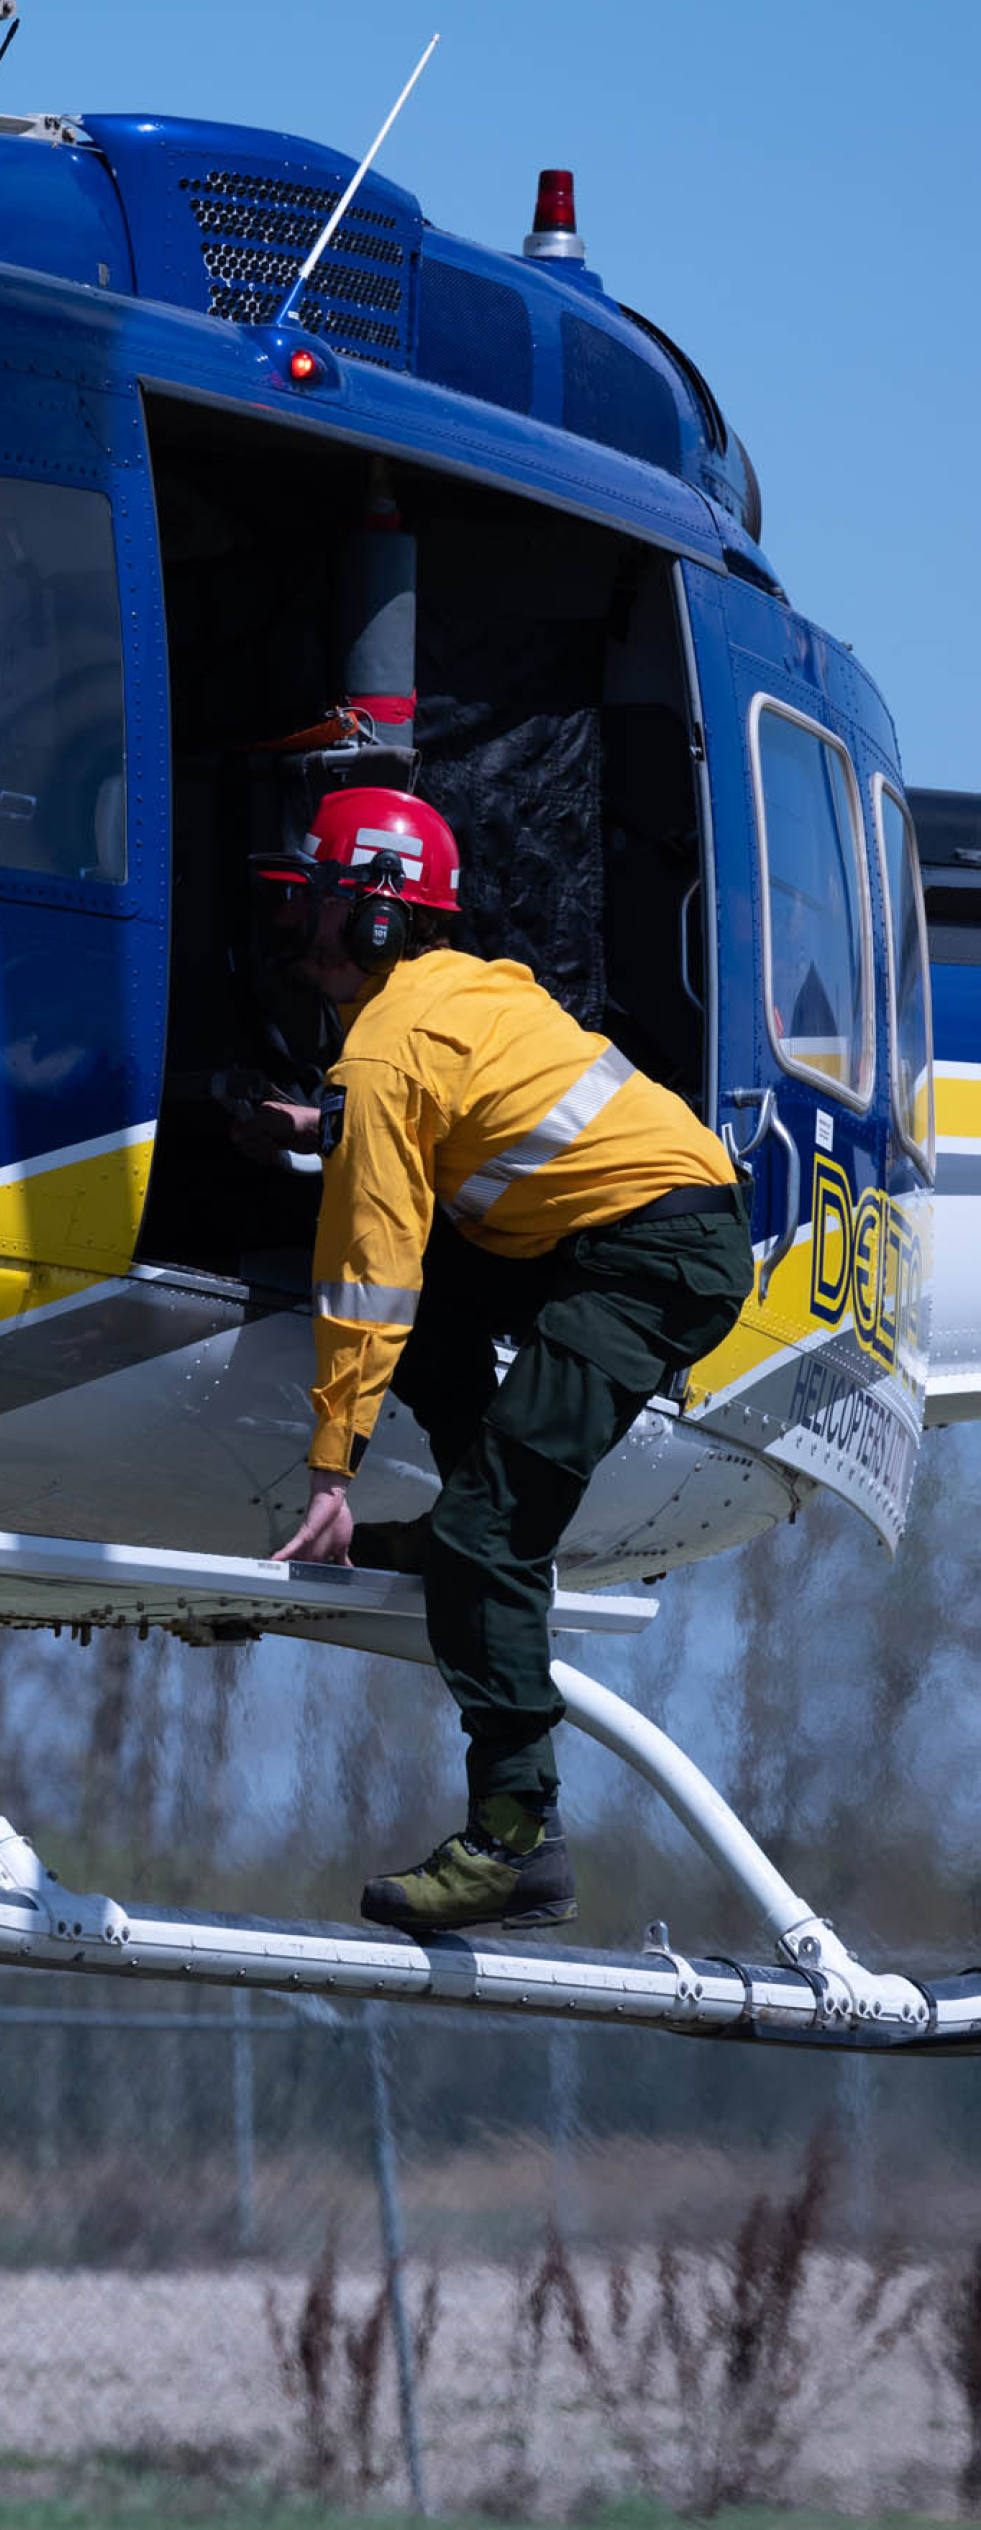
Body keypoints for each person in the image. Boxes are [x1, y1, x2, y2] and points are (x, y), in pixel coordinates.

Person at [239, 787, 754, 1937]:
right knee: (451, 1342)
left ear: (372, 915)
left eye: (312, 900)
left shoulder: (382, 1049)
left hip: (653, 1260)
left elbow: (370, 1271)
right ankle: (482, 1525)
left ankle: (517, 1844)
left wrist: (332, 1469)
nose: (294, 923)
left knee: (488, 1536)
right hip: (620, 1234)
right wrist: (318, 1127)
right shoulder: (455, 988)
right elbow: (455, 1114)